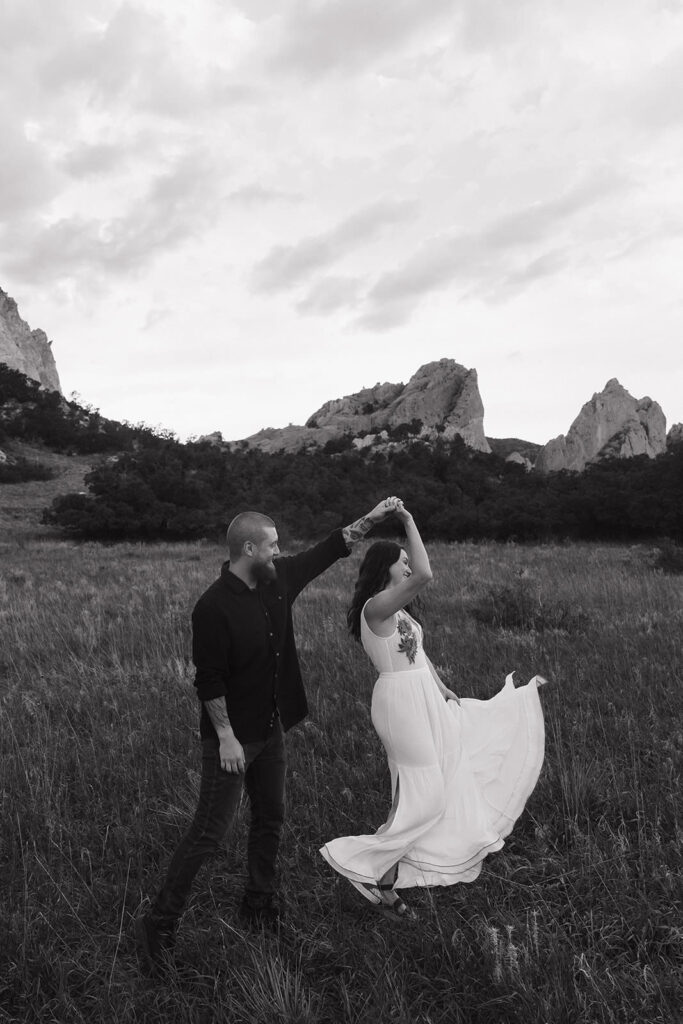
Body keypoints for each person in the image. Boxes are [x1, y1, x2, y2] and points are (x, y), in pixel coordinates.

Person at [136, 497, 401, 973]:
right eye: (273, 546)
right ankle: (160, 923)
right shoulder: (212, 608)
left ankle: (259, 903)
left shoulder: (278, 582)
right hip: (234, 739)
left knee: (270, 817)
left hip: (271, 727)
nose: (280, 553)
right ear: (249, 549)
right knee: (209, 832)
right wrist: (226, 737)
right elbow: (209, 680)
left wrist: (376, 515)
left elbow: (330, 549)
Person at [320, 501, 546, 920]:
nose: (408, 567)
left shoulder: (397, 609)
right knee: (424, 796)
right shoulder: (376, 608)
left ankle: (384, 882)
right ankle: (362, 863)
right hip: (399, 704)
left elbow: (419, 654)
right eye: (402, 562)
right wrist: (406, 520)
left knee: (418, 791)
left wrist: (443, 690)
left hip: (423, 696)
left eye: (408, 561)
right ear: (385, 566)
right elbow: (426, 573)